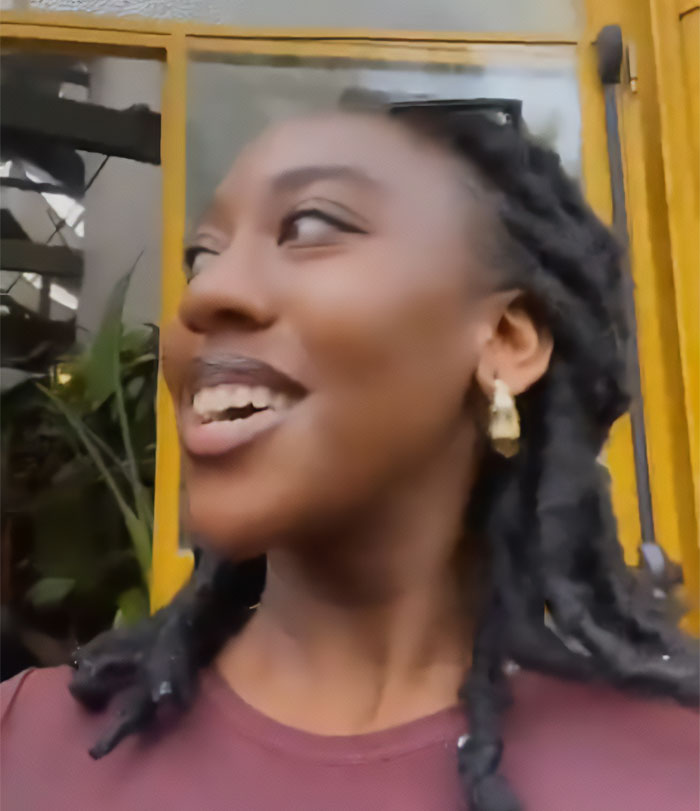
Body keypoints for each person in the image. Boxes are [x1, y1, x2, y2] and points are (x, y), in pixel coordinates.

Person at [2, 107, 698, 811]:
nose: (206, 295)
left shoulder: (670, 775)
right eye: (202, 257)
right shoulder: (22, 744)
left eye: (308, 227)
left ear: (506, 340)